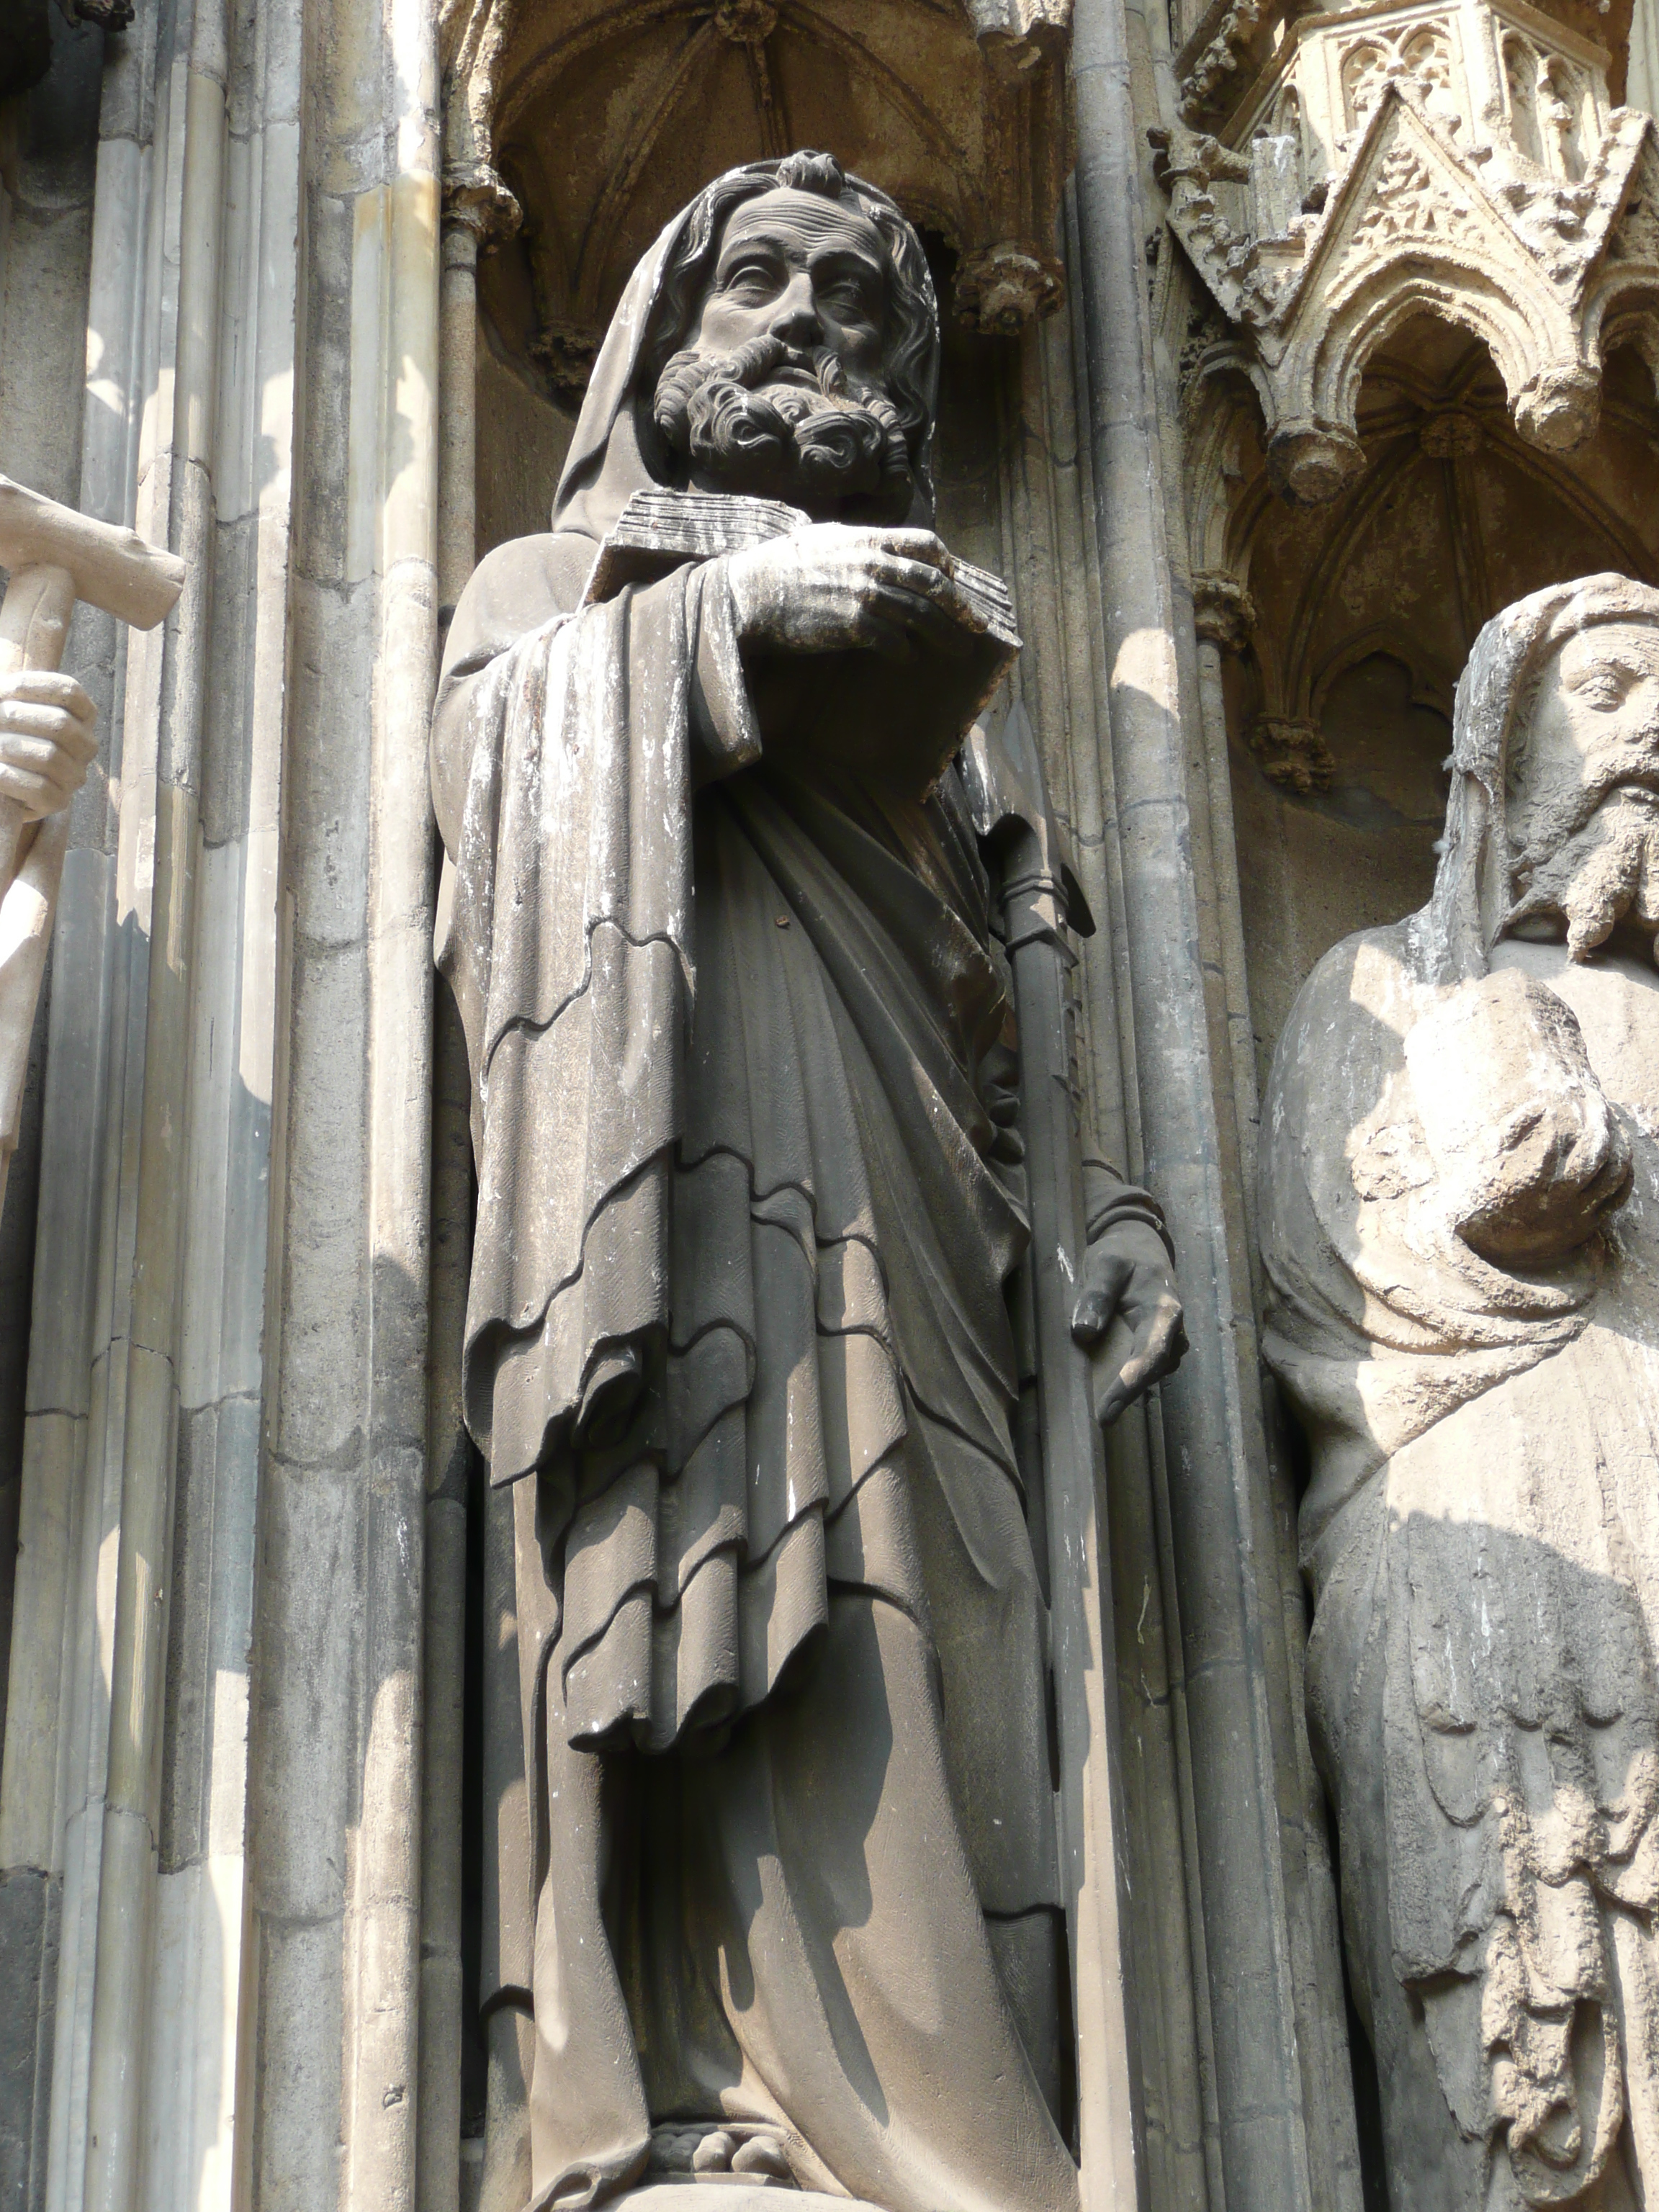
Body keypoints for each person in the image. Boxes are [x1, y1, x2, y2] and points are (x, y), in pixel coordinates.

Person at [431, 150, 1184, 2212]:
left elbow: (1013, 1026)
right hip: (693, 1180)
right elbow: (488, 783)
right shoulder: (553, 588)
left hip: (928, 1225)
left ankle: (964, 2130)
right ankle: (711, 2105)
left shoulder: (959, 699)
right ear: (663, 338)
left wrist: (1106, 1219)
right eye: (760, 282)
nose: (809, 329)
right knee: (750, 1594)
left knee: (956, 1642)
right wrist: (726, 624)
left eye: (861, 309)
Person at [1262, 575, 1659, 2209]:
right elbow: (1316, 1286)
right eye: (1619, 685)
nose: (1657, 726)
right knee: (1529, 2070)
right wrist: (1502, 1235)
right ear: (1507, 740)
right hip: (1487, 1548)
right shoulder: (1386, 993)